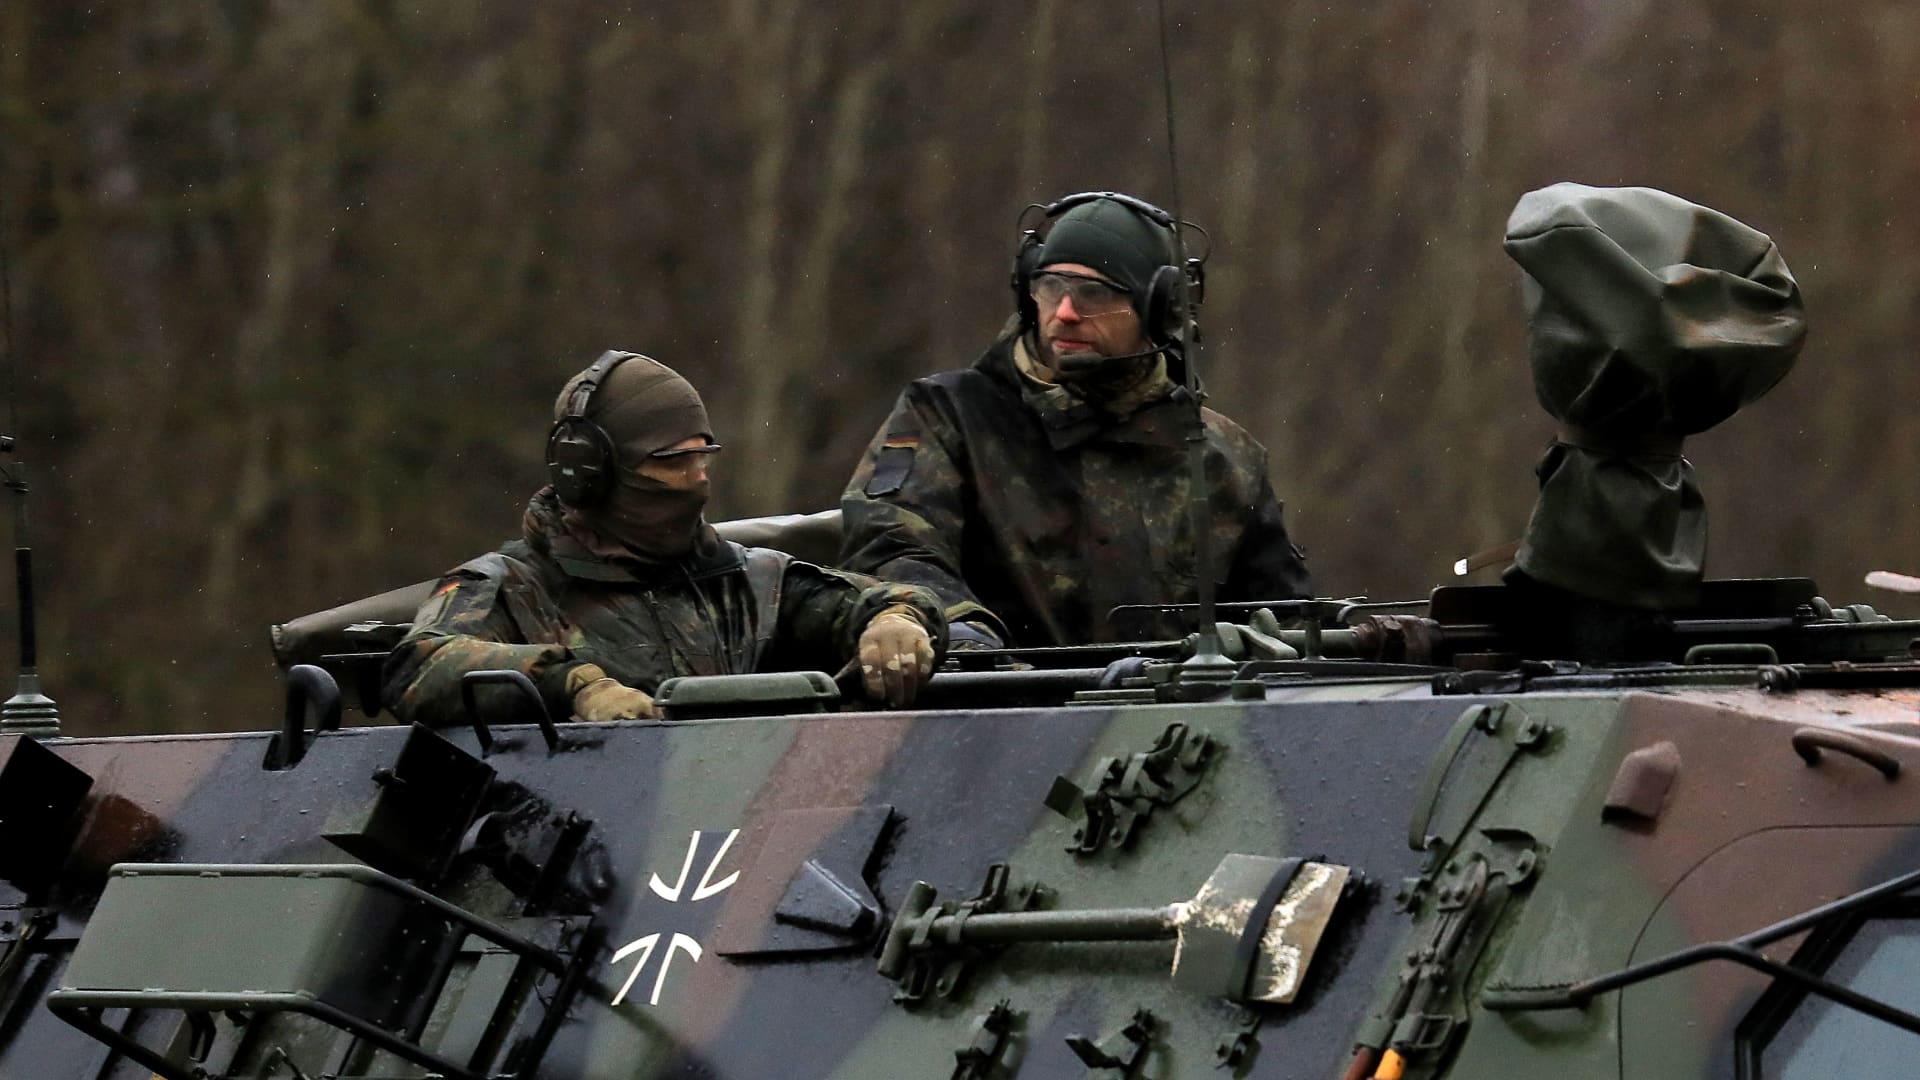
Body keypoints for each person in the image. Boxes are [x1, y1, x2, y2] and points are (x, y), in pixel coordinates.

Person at [838, 192, 1311, 648]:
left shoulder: (1223, 459)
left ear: (1157, 309)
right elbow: (892, 549)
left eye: (1094, 293)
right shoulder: (949, 416)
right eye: (1051, 287)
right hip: (997, 711)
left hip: (1178, 722)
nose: (1065, 313)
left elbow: (1285, 623)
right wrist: (961, 632)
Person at [385, 350, 947, 725]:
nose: (697, 479)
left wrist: (898, 622)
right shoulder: (511, 588)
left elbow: (883, 600)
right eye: (672, 461)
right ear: (594, 473)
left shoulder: (748, 583)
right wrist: (572, 684)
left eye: (702, 455)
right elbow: (420, 666)